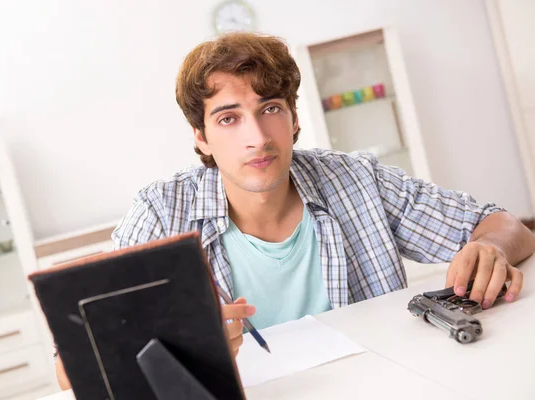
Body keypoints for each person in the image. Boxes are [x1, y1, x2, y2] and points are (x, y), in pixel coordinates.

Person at [55, 32, 535, 389]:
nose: (258, 138)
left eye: (271, 109)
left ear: (295, 117)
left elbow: (508, 227)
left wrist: (490, 246)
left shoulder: (356, 180)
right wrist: (181, 345)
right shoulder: (160, 213)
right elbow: (68, 370)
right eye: (228, 118)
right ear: (200, 137)